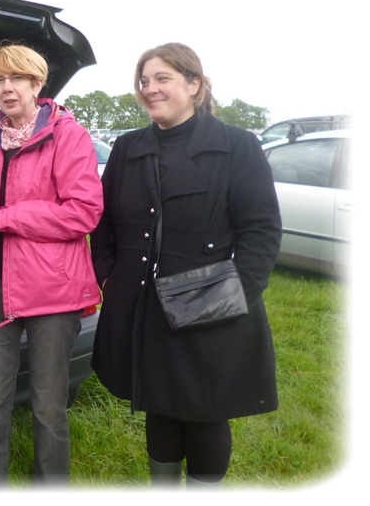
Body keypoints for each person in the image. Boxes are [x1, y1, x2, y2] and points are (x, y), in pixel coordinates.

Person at [89, 42, 282, 488]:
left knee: (204, 409)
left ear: (194, 85)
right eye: (144, 81)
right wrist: (110, 276)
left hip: (209, 302)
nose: (150, 89)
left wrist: (232, 296)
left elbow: (262, 233)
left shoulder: (237, 146)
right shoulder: (127, 147)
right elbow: (102, 227)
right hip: (143, 304)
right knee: (158, 402)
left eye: (162, 79)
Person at [0, 43, 103, 485]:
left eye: (16, 78)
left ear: (37, 83)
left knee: (47, 406)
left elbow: (83, 211)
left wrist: (3, 219)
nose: (7, 88)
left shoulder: (68, 135)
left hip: (52, 291)